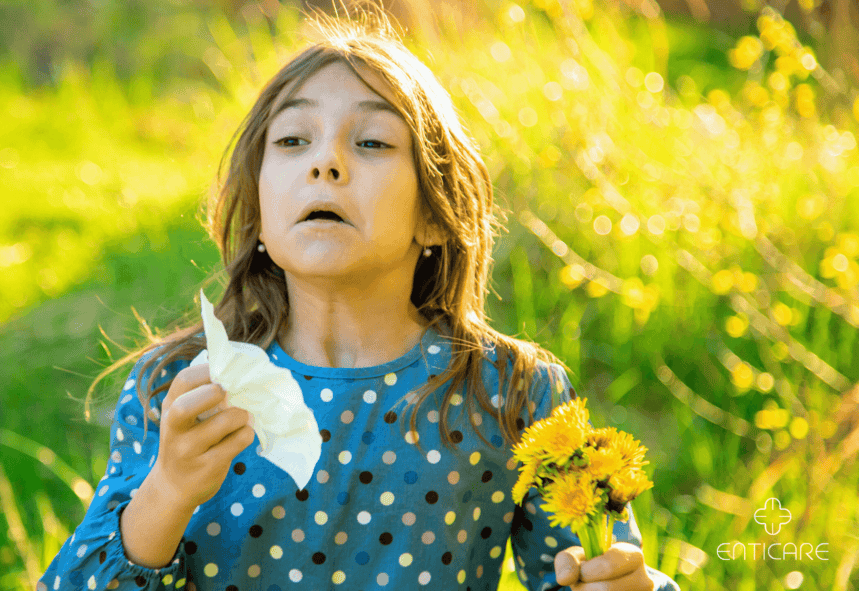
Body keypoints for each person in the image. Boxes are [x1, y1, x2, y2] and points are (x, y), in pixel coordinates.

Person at [39, 3, 681, 590]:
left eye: (371, 142)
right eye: (293, 141)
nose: (327, 163)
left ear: (435, 213)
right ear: (261, 208)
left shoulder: (514, 391)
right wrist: (169, 489)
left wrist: (622, 581)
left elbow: (588, 570)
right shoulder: (181, 388)